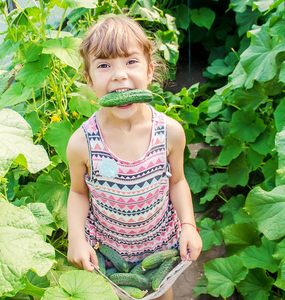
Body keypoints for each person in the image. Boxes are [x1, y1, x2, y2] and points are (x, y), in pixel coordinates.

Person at [66, 15, 202, 300]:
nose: (119, 75)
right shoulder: (82, 143)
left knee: (163, 294)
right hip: (107, 248)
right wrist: (75, 238)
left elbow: (177, 182)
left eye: (130, 61)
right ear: (89, 80)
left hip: (160, 243)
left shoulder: (170, 133)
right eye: (104, 65)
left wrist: (188, 225)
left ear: (150, 71)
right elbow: (78, 193)